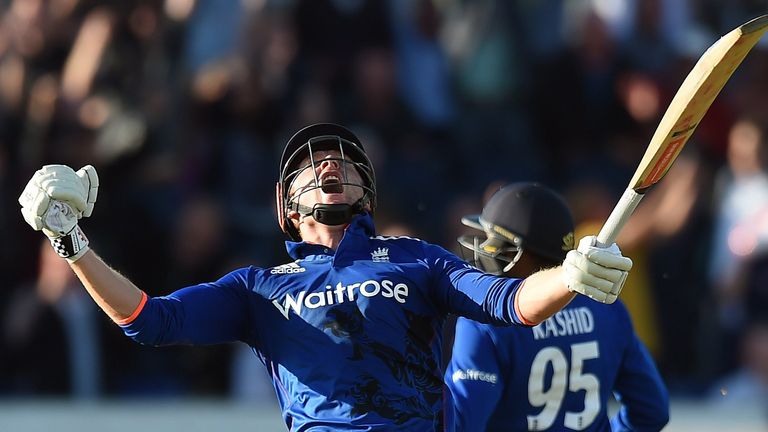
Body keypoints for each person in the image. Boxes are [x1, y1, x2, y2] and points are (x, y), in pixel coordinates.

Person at [18, 123, 633, 431]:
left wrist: (569, 276)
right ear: (286, 205)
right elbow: (150, 321)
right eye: (312, 165)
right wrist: (72, 246)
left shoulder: (416, 258)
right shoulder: (256, 286)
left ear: (366, 192)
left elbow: (509, 301)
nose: (329, 164)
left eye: (342, 160)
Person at [444, 182, 669, 431]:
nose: (483, 248)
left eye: (491, 240)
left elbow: (461, 423)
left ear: (520, 254)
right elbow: (652, 412)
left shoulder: (485, 322)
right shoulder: (608, 309)